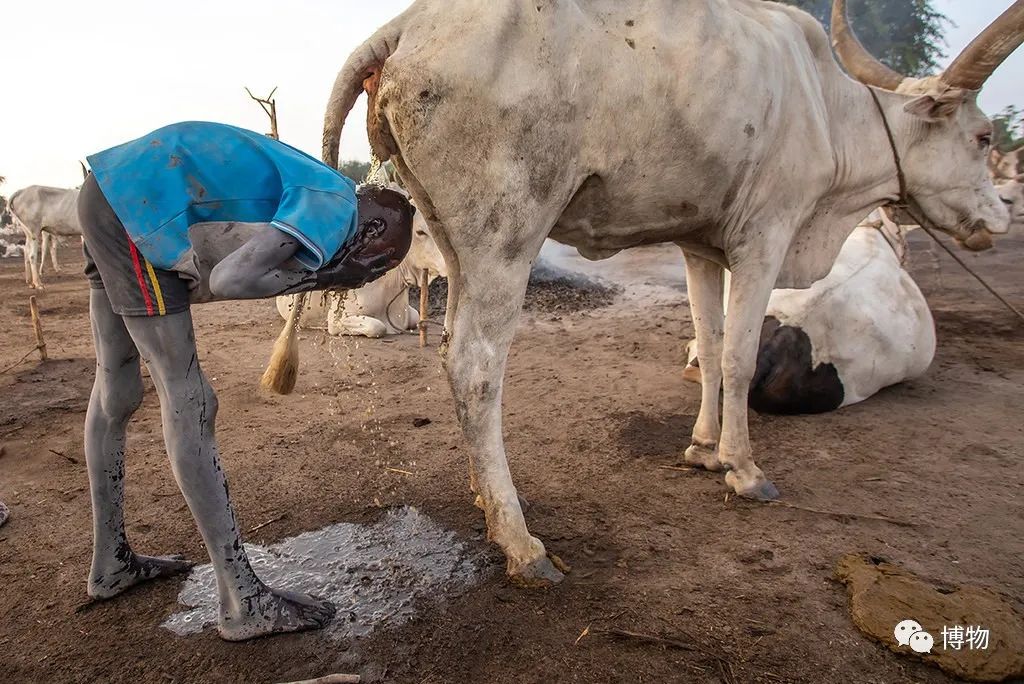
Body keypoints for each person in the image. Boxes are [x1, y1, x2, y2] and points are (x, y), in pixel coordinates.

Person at [78, 121, 414, 641]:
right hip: (139, 207)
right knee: (189, 400)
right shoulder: (337, 205)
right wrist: (328, 275)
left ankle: (111, 563)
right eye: (376, 267)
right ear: (373, 232)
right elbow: (228, 279)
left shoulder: (318, 187)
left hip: (113, 191)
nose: (367, 276)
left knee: (116, 388)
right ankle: (242, 600)